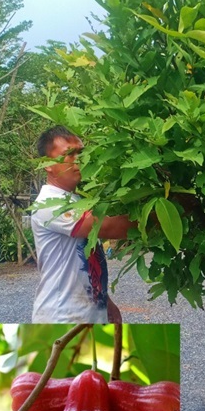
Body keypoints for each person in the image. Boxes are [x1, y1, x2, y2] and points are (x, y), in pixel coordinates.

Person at [31, 126, 135, 323]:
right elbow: (105, 227)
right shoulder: (50, 204)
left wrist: (105, 301)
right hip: (62, 317)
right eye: (69, 154)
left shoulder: (76, 200)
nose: (78, 159)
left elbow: (83, 262)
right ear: (47, 164)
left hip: (87, 315)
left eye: (81, 152)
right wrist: (165, 217)